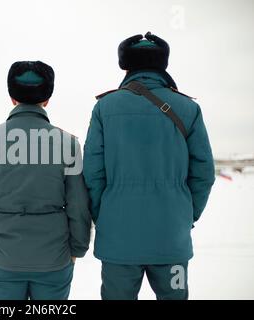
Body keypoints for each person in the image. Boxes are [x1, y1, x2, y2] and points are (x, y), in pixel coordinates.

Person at [83, 32, 215, 300]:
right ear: (162, 64)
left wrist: (105, 216)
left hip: (118, 240)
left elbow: (92, 173)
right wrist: (186, 216)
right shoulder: (188, 108)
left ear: (126, 65)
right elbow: (203, 173)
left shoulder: (105, 108)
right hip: (171, 239)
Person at [0, 61, 91, 300]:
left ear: (12, 97)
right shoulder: (68, 144)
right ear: (47, 99)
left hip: (2, 258)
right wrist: (77, 248)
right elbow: (79, 204)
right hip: (55, 258)